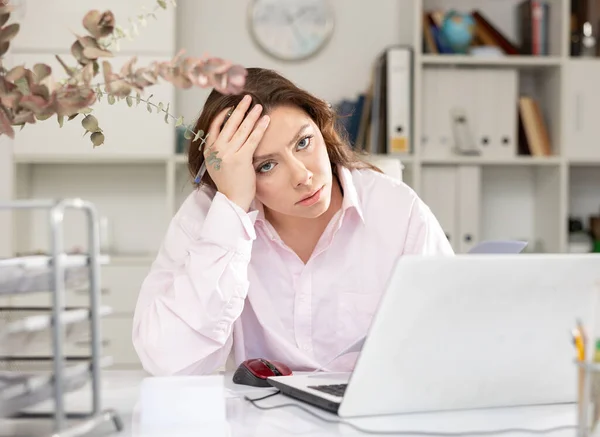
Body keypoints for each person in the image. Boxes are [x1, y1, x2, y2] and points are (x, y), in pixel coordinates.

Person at [132, 67, 453, 377]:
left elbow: (451, 337)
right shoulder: (208, 216)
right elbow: (169, 361)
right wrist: (231, 210)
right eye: (267, 166)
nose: (302, 176)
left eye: (303, 143)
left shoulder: (398, 209)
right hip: (260, 418)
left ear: (320, 127)